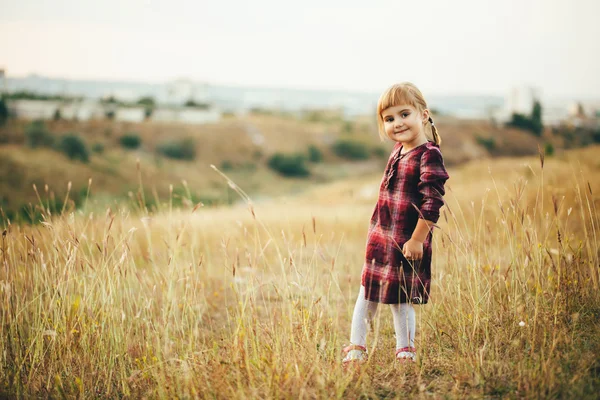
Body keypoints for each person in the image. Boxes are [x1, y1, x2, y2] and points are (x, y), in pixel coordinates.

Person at [342, 82, 449, 364]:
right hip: (380, 238)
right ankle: (357, 346)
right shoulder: (398, 150)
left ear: (423, 115)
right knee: (367, 291)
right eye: (389, 119)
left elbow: (432, 201)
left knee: (400, 297)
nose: (397, 123)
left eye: (404, 114)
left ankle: (405, 349)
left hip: (405, 240)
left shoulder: (428, 154)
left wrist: (416, 240)